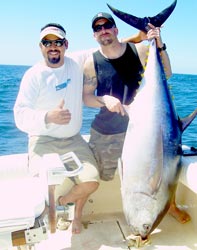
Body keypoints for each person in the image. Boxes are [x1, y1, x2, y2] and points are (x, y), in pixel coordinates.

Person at [83, 12, 190, 223]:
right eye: (98, 28)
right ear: (95, 35)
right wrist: (105, 99)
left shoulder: (140, 50)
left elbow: (166, 73)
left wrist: (158, 42)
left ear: (115, 29)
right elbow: (86, 98)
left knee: (166, 161)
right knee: (105, 175)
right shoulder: (91, 62)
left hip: (145, 124)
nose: (103, 30)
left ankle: (170, 205)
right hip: (109, 129)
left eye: (107, 26)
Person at [13, 23, 100, 234]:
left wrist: (140, 36)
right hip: (43, 139)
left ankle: (64, 205)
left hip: (73, 139)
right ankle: (53, 211)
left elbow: (107, 45)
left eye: (58, 42)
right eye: (47, 42)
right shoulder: (33, 75)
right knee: (40, 189)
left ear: (66, 44)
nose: (53, 47)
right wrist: (47, 116)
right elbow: (19, 114)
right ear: (40, 46)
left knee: (91, 181)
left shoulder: (76, 63)